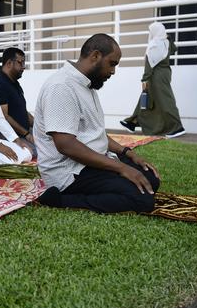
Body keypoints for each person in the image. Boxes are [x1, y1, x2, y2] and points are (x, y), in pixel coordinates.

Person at [34, 34, 160, 213]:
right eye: (112, 64)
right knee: (142, 199)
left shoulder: (87, 84)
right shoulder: (61, 87)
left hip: (91, 161)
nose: (113, 71)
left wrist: (127, 153)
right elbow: (65, 145)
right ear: (95, 56)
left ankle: (112, 181)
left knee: (150, 180)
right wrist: (122, 168)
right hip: (69, 171)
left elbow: (94, 132)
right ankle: (59, 199)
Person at [120, 22, 186, 138]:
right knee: (147, 98)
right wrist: (168, 38)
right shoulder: (166, 42)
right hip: (164, 73)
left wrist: (144, 79)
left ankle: (177, 127)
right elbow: (174, 49)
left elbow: (149, 64)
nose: (150, 33)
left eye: (151, 31)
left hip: (156, 75)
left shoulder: (155, 44)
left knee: (165, 100)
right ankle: (133, 122)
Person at [0, 47, 36, 157]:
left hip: (24, 132)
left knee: (52, 140)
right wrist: (26, 134)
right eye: (20, 63)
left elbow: (23, 112)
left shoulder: (15, 84)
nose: (23, 67)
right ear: (9, 63)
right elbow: (4, 117)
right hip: (12, 136)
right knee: (39, 151)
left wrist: (39, 125)